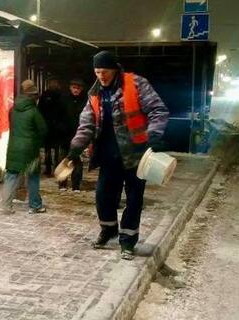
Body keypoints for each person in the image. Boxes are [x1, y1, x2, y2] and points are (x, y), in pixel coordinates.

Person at [69, 50, 169, 259]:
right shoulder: (94, 93)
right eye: (97, 72)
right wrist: (76, 146)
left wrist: (154, 134)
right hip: (108, 156)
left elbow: (158, 110)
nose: (101, 76)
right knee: (103, 197)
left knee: (133, 200)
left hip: (136, 156)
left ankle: (128, 241)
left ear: (114, 69)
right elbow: (87, 123)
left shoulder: (136, 84)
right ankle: (108, 230)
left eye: (104, 72)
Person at [2, 79, 48, 214]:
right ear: (32, 96)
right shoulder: (34, 111)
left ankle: (6, 206)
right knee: (32, 176)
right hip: (30, 149)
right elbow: (43, 130)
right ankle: (35, 205)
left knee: (11, 176)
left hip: (14, 147)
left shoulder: (13, 109)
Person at [59, 78, 87, 193]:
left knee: (77, 161)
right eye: (74, 88)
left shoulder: (85, 101)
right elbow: (58, 116)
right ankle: (62, 184)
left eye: (78, 88)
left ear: (81, 89)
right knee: (64, 159)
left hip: (79, 135)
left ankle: (76, 185)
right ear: (70, 88)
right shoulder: (63, 100)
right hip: (65, 135)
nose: (76, 90)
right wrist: (60, 129)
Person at [38, 78, 66, 176]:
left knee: (48, 148)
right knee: (56, 148)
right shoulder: (61, 95)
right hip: (56, 126)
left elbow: (40, 109)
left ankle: (49, 168)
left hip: (49, 125)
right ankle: (55, 167)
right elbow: (64, 111)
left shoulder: (45, 95)